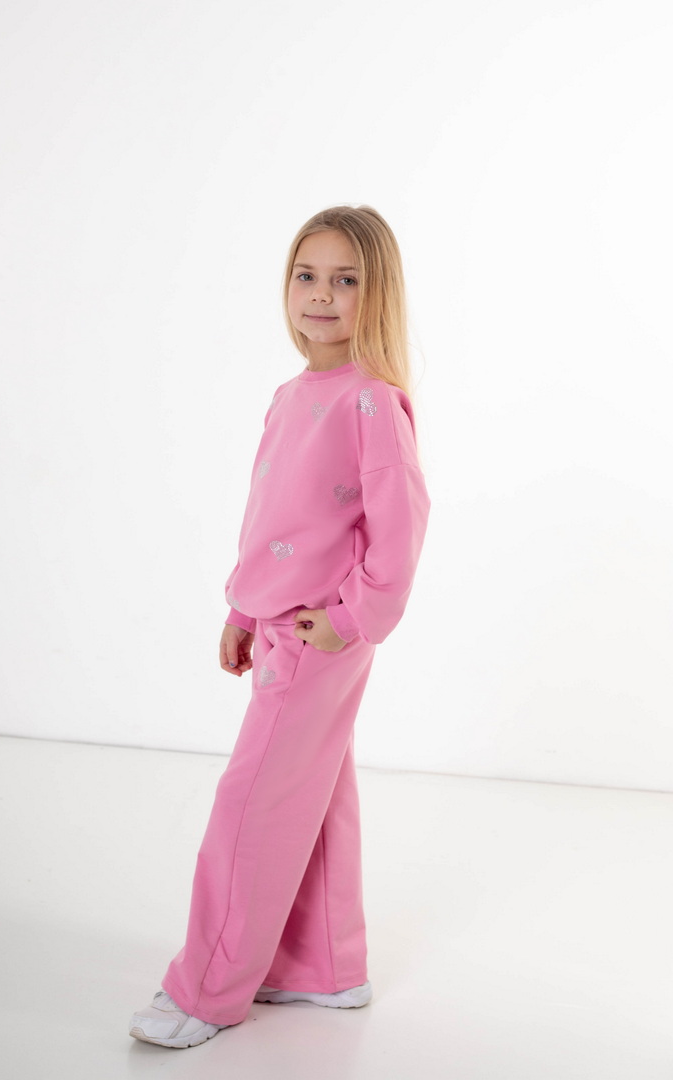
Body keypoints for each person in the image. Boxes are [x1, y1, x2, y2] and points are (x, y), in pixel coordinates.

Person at [129, 205, 430, 1049]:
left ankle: (207, 990)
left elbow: (402, 526)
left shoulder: (373, 403)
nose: (321, 295)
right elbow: (273, 516)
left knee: (252, 802)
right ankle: (326, 968)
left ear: (377, 295)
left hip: (316, 635)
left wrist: (349, 618)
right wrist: (240, 607)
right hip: (278, 625)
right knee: (315, 789)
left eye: (346, 279)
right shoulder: (291, 396)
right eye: (307, 275)